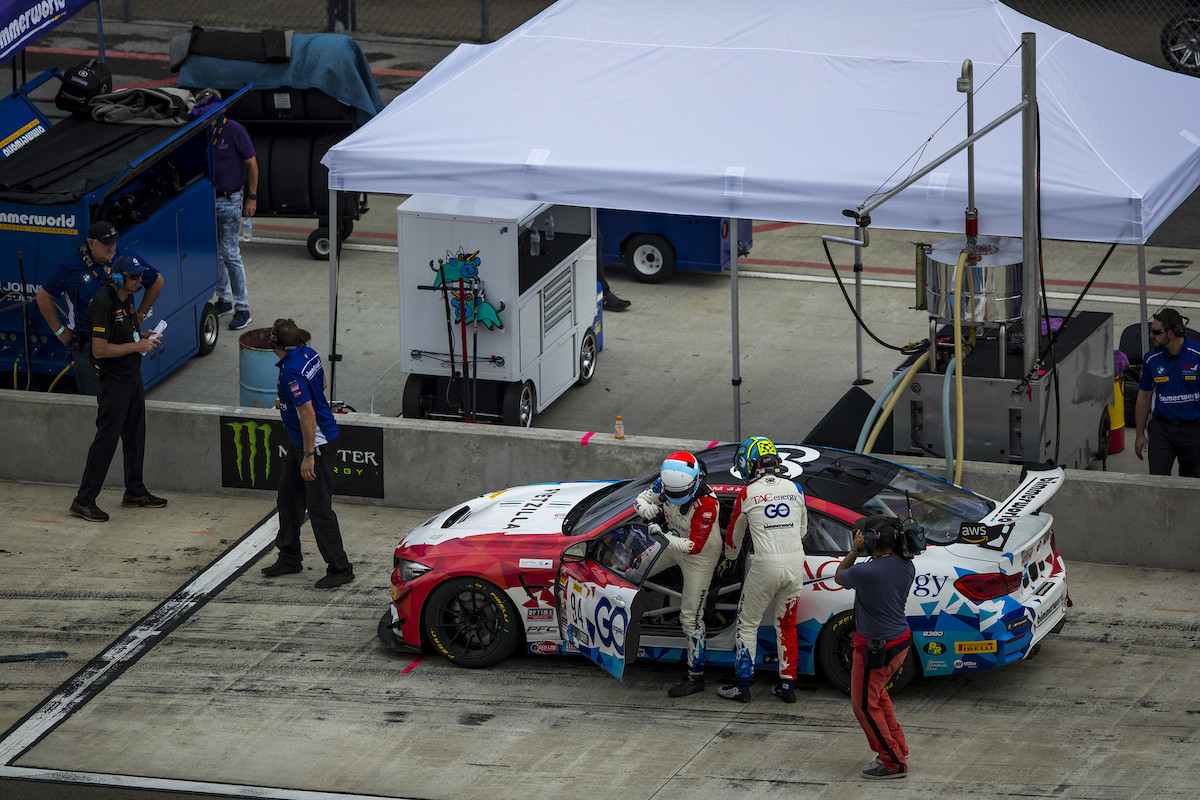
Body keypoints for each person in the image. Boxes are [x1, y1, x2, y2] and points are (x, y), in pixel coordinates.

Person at [69, 256, 168, 522]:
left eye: (139, 277)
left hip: (132, 377)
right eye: (134, 277)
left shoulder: (128, 297)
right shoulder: (103, 302)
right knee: (106, 441)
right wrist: (136, 347)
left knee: (136, 436)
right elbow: (99, 349)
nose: (139, 281)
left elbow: (126, 331)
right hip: (113, 382)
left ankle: (135, 491)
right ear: (118, 277)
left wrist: (142, 336)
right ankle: (84, 500)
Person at [260, 318, 355, 589]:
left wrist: (309, 454)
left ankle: (340, 567)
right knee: (288, 497)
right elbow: (321, 384)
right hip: (302, 441)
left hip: (316, 444)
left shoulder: (291, 371)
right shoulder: (309, 353)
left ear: (274, 344)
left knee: (318, 508)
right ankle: (289, 556)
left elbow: (308, 413)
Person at [718, 436, 807, 704]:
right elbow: (802, 530)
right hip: (794, 564)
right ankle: (788, 687)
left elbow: (733, 538)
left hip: (765, 566)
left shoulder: (747, 493)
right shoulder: (797, 488)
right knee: (787, 625)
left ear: (751, 464)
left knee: (747, 624)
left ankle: (743, 686)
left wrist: (729, 560)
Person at [36, 220, 163, 395]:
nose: (112, 248)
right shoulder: (71, 268)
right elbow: (43, 296)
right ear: (91, 243)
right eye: (106, 244)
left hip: (121, 342)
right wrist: (59, 331)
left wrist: (140, 316)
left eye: (114, 243)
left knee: (124, 397)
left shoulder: (123, 259)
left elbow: (156, 281)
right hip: (88, 347)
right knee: (94, 400)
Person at [834, 514, 917, 780]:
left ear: (871, 540)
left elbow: (840, 576)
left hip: (876, 649)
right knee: (878, 697)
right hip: (899, 642)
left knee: (864, 706)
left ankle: (893, 762)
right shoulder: (905, 566)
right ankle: (898, 748)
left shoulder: (866, 571)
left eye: (863, 536)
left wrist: (855, 550)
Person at [634, 450, 721, 696]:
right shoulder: (667, 481)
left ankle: (696, 676)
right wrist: (645, 510)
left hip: (699, 557)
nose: (673, 497)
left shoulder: (708, 503)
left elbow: (694, 547)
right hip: (672, 542)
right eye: (670, 494)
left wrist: (661, 536)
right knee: (633, 571)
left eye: (679, 494)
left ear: (694, 482)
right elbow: (641, 498)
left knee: (690, 618)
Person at [192, 88, 258, 332]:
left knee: (230, 252)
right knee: (218, 252)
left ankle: (243, 307)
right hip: (209, 199)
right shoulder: (202, 131)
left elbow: (252, 164)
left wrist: (251, 197)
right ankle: (225, 299)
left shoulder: (234, 130)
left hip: (231, 198)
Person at [1134, 307, 1200, 477]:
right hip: (1161, 429)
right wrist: (1140, 434)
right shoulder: (1151, 359)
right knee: (1157, 482)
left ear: (1171, 333)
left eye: (1156, 332)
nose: (1151, 336)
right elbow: (1144, 396)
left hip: (1193, 430)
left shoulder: (1197, 355)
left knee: (1192, 486)